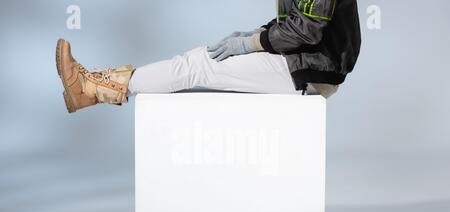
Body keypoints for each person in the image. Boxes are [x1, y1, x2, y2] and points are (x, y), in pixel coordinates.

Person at [56, 0, 361, 113]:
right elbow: (292, 22)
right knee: (199, 62)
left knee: (199, 65)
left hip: (312, 70)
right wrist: (253, 34)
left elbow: (307, 30)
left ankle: (91, 89)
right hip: (303, 61)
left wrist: (253, 42)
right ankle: (95, 88)